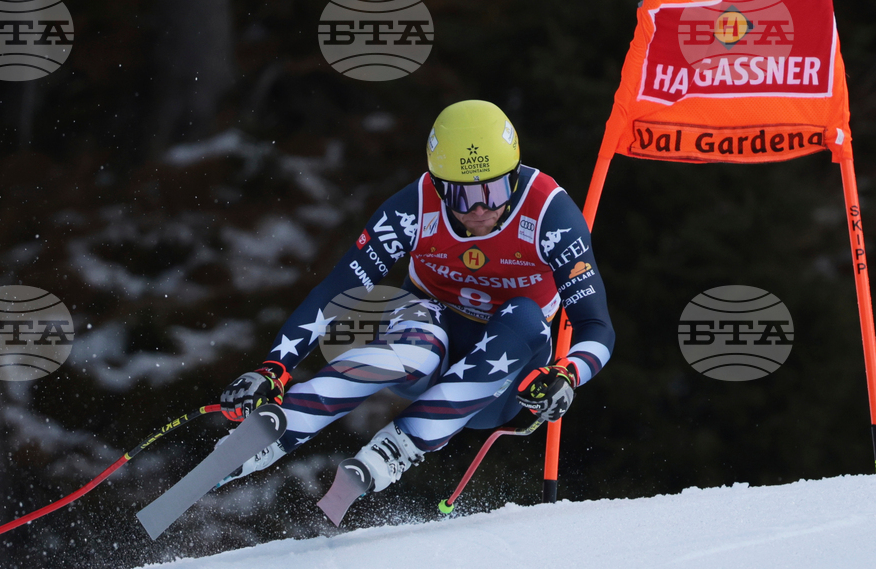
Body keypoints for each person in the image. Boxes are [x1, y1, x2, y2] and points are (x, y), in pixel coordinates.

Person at [217, 99, 615, 501]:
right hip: (425, 352)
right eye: (462, 196)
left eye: (494, 191)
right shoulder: (414, 208)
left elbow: (596, 326)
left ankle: (401, 445)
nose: (480, 209)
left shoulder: (550, 214)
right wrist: (274, 367)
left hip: (500, 381)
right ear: (438, 185)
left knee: (525, 315)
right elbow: (337, 290)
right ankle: (283, 427)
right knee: (421, 322)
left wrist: (567, 373)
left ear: (513, 176)